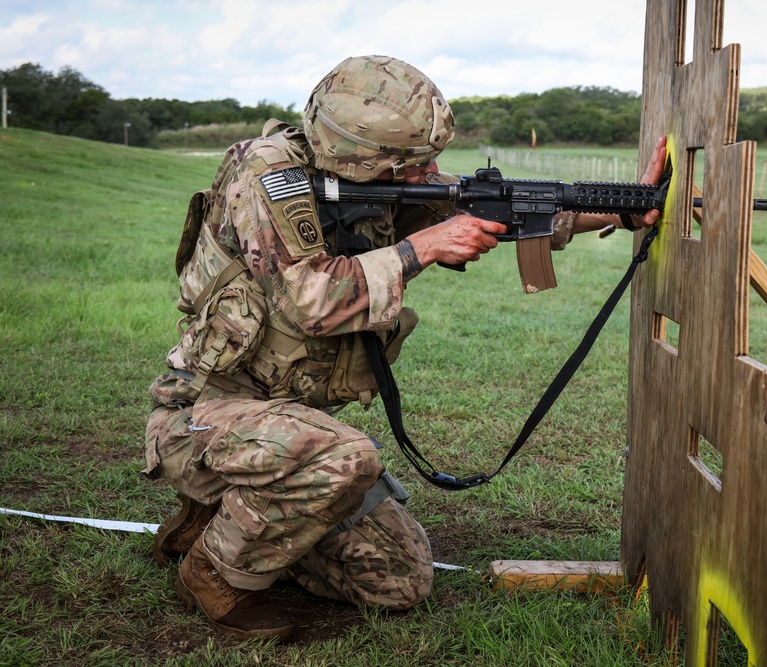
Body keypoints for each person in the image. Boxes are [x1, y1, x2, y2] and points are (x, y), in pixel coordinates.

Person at [142, 54, 666, 641]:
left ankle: (231, 512)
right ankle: (213, 571)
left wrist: (622, 208)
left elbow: (502, 204)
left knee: (397, 581)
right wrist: (423, 249)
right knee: (347, 457)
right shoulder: (269, 177)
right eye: (413, 162)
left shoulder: (370, 180)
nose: (431, 171)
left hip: (291, 428)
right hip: (206, 417)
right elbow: (311, 301)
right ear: (361, 154)